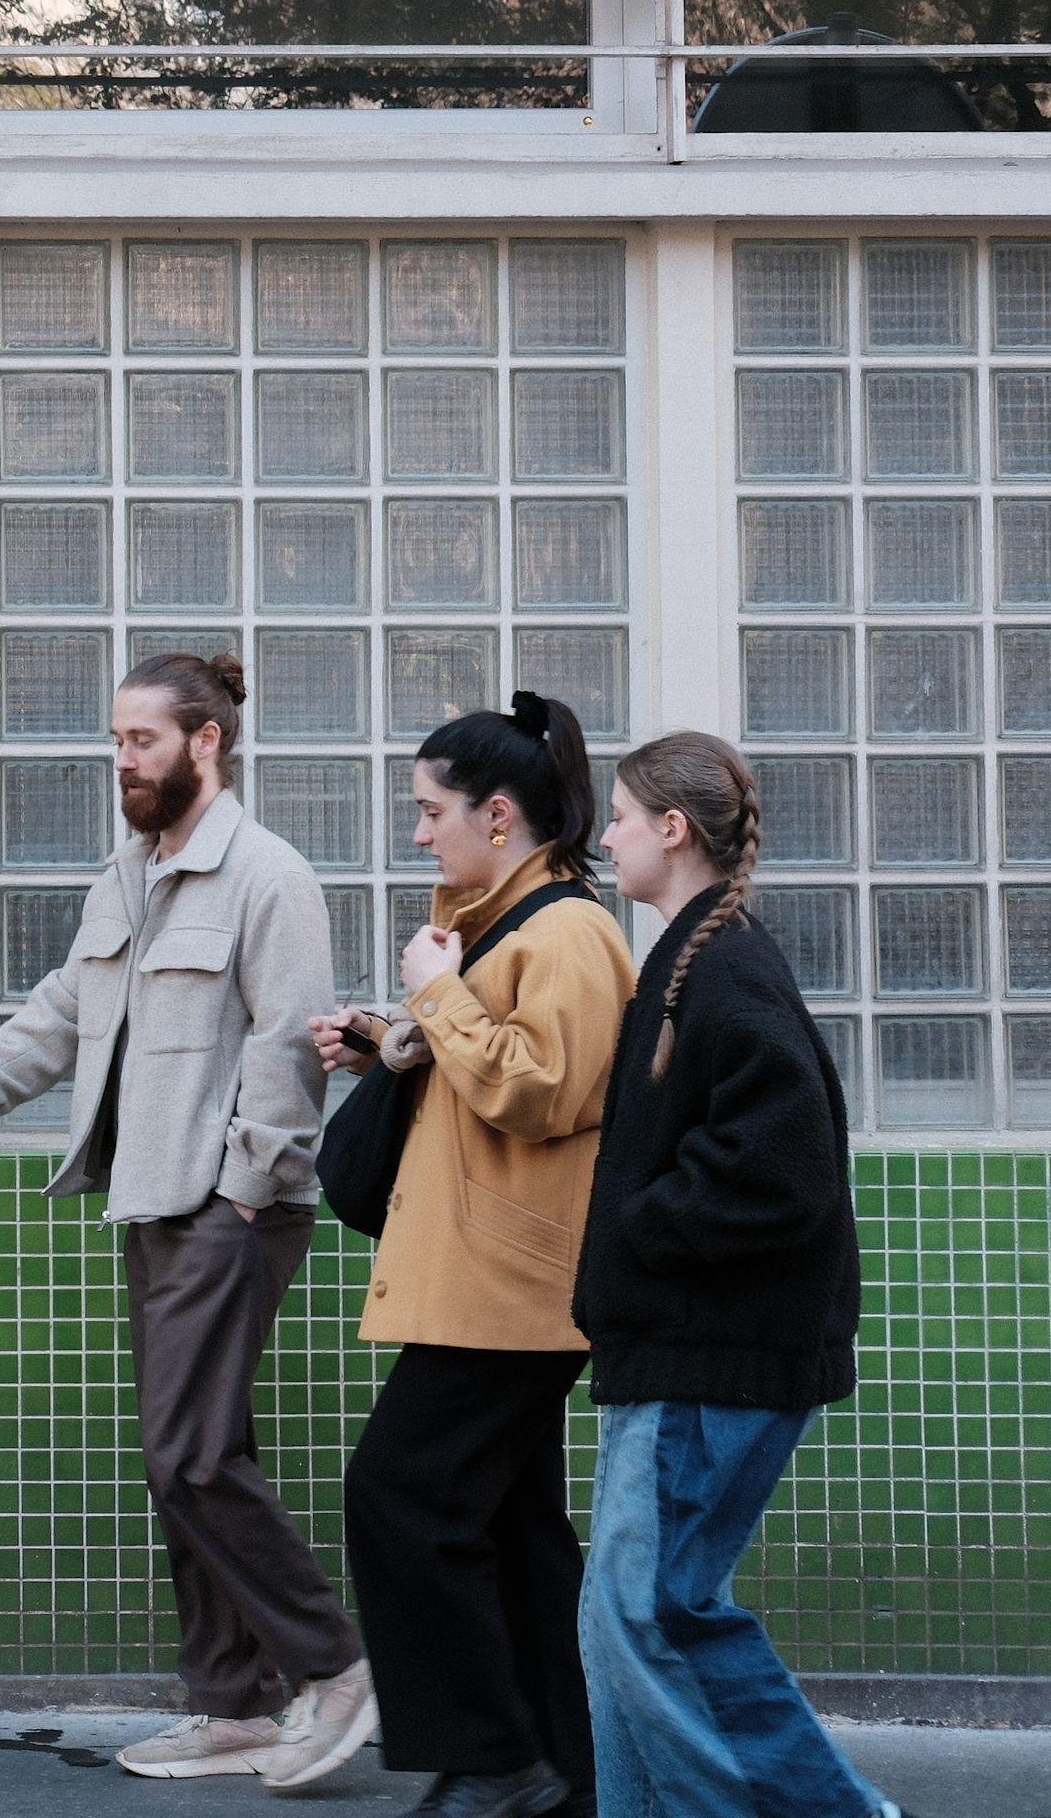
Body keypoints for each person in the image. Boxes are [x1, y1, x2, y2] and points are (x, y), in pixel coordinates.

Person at [0, 652, 372, 1785]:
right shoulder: (129, 878)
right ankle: (235, 1704)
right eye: (115, 742)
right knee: (191, 1456)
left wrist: (249, 1190)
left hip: (231, 1209)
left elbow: (290, 1052)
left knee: (189, 1452)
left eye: (140, 741)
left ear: (205, 743)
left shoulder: (268, 877)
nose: (121, 761)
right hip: (152, 1204)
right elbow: (59, 1019)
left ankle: (333, 1667)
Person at [308, 693, 636, 1818]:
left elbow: (542, 1091)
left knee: (400, 1496)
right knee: (512, 1528)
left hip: (519, 1289)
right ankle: (572, 1770)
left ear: (498, 816)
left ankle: (491, 1756)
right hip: (498, 1282)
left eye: (430, 810)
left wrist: (433, 993)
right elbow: (484, 1068)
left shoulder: (571, 934)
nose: (418, 833)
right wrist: (382, 1045)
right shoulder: (508, 925)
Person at [577, 733, 895, 1818]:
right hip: (684, 1350)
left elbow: (783, 1167)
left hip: (709, 1357)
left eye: (620, 815)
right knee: (629, 1618)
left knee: (650, 1614)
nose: (606, 835)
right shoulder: (691, 957)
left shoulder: (724, 965)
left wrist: (638, 1231)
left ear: (672, 830)